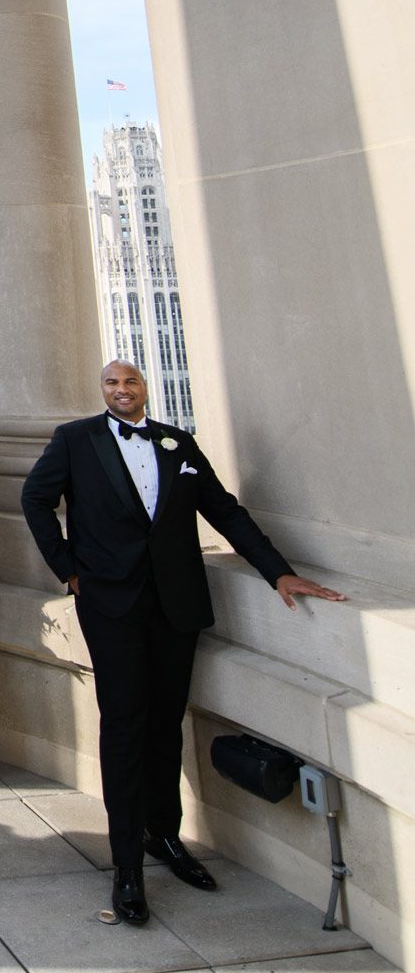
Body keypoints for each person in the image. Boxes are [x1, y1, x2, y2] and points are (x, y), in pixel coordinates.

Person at [22, 359, 346, 925]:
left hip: (176, 607)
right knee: (123, 729)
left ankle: (164, 837)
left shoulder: (178, 442)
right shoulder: (75, 439)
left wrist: (279, 572)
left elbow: (224, 510)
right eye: (111, 383)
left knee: (166, 723)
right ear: (101, 390)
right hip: (111, 607)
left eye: (131, 382)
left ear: (145, 389)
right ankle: (126, 869)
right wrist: (69, 569)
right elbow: (34, 500)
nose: (122, 390)